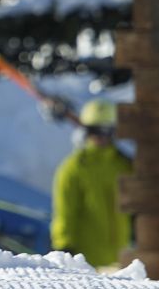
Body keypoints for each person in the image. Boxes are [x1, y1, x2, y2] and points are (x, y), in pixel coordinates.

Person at [50, 98, 134, 269]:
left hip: (121, 261)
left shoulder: (124, 165)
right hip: (86, 264)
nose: (100, 137)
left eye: (106, 131)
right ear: (86, 131)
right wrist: (63, 246)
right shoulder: (73, 169)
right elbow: (65, 212)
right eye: (95, 131)